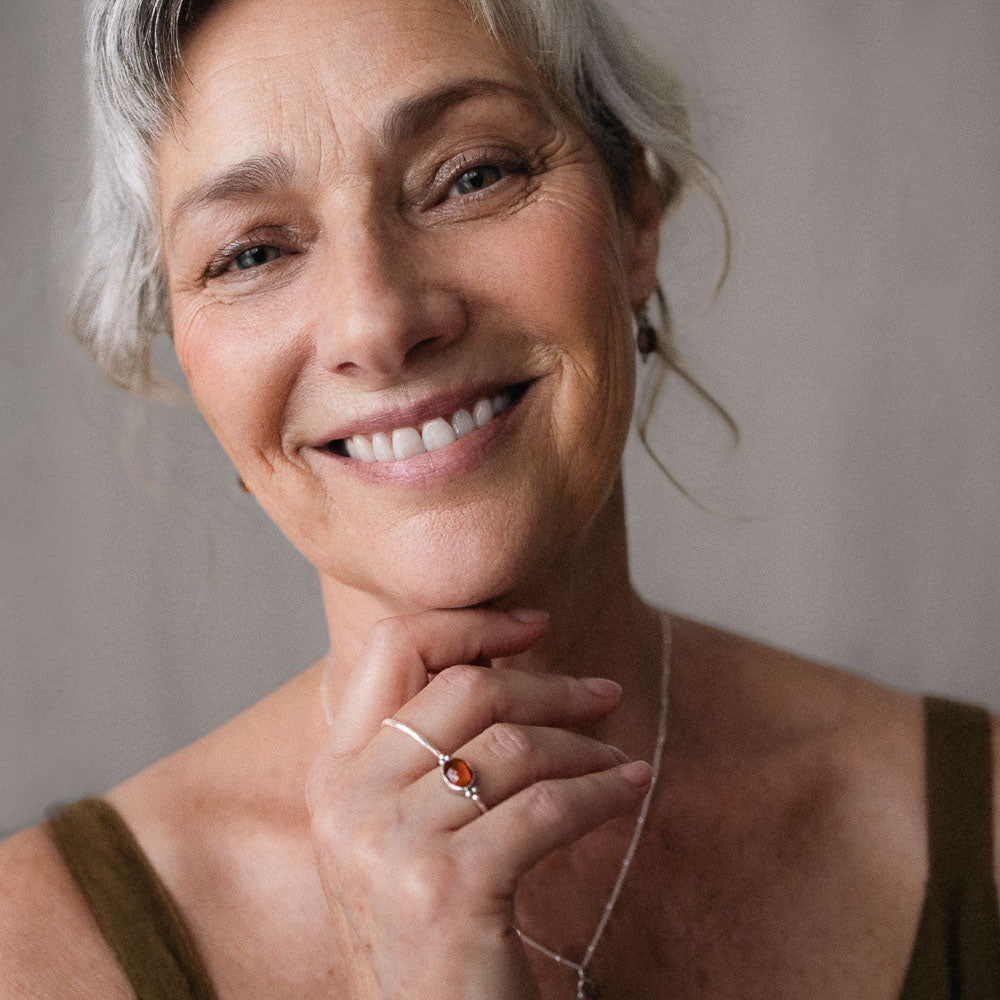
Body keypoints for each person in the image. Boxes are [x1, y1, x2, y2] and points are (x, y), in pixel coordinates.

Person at [1, 0, 998, 996]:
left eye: (470, 177)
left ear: (634, 215)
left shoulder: (977, 825)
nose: (379, 321)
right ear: (186, 352)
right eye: (252, 252)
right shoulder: (33, 950)